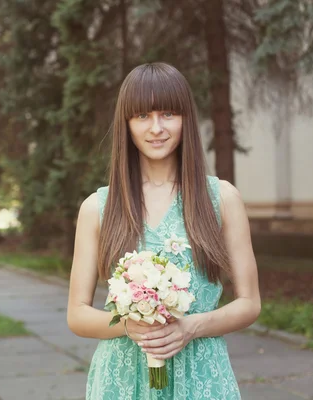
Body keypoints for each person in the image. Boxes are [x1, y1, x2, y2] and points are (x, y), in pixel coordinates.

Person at [67, 62, 261, 399]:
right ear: (126, 124)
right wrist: (129, 325)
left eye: (168, 113)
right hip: (123, 378)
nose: (156, 127)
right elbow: (77, 314)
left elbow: (249, 303)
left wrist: (191, 328)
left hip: (200, 373)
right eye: (142, 116)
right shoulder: (98, 207)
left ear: (186, 119)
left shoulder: (222, 199)